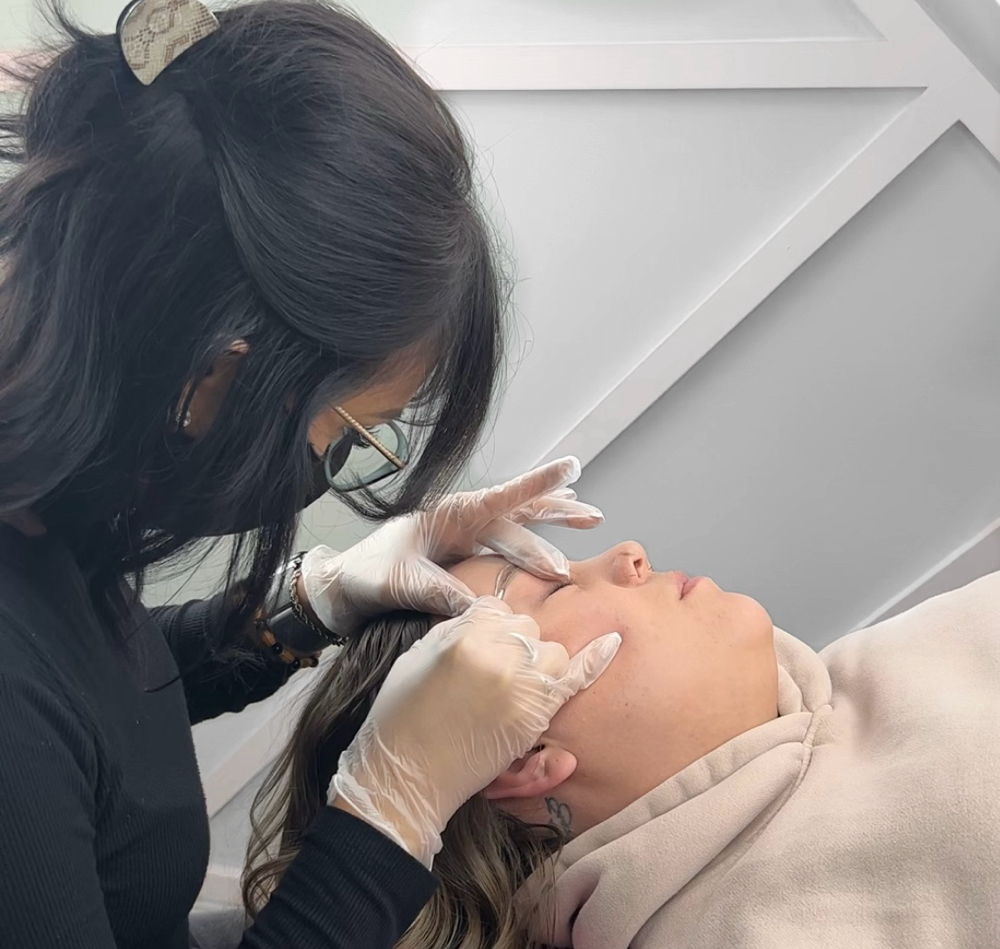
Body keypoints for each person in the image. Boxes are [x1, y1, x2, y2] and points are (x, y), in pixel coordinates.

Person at [0, 1, 621, 947]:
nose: (632, 560)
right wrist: (389, 811)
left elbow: (82, 697)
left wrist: (315, 600)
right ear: (216, 378)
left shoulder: (42, 490)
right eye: (344, 435)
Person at [246, 542, 1000, 949]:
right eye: (554, 592)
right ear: (521, 756)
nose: (628, 552)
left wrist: (312, 594)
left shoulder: (864, 675)